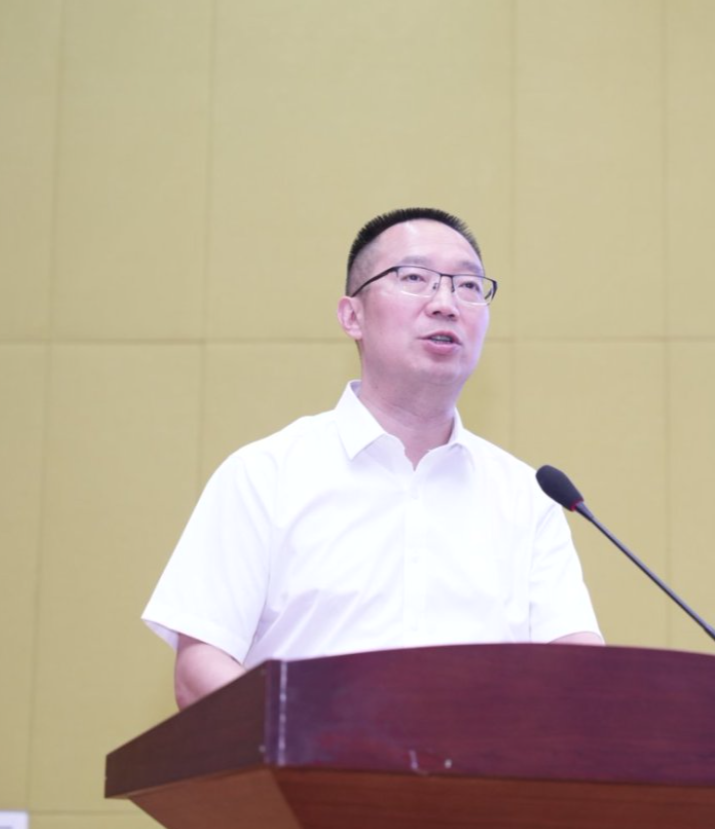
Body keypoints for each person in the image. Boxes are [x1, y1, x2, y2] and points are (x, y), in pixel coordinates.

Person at [143, 207, 603, 708]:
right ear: (352, 316)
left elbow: (578, 670)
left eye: (469, 286)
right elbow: (200, 667)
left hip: (484, 761)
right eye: (415, 278)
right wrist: (310, 736)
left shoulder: (527, 497)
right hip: (307, 759)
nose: (446, 304)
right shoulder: (264, 475)